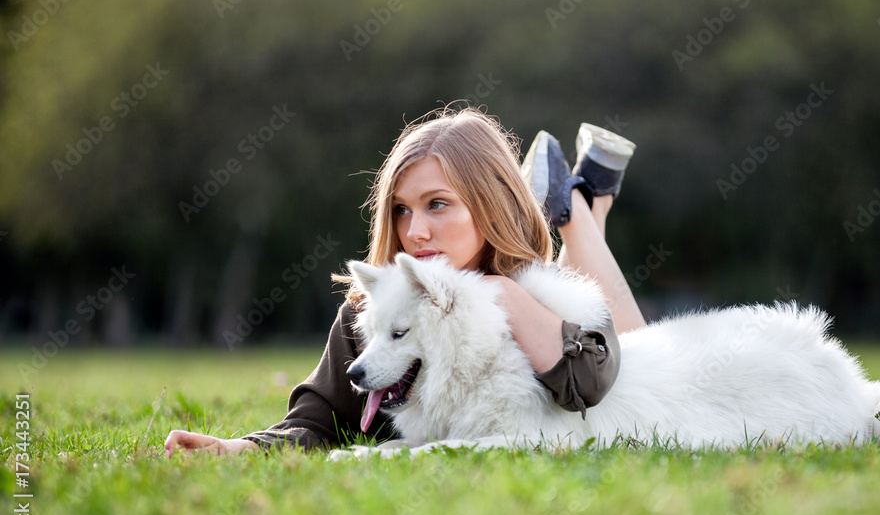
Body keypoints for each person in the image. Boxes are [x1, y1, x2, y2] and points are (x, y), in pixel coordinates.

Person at [164, 107, 644, 457]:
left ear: (491, 205)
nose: (415, 233)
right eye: (401, 210)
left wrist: (506, 294)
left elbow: (595, 384)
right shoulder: (372, 313)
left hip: (561, 308)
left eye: (437, 204)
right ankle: (581, 197)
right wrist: (237, 448)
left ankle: (577, 212)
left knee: (636, 347)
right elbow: (318, 420)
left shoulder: (537, 290)